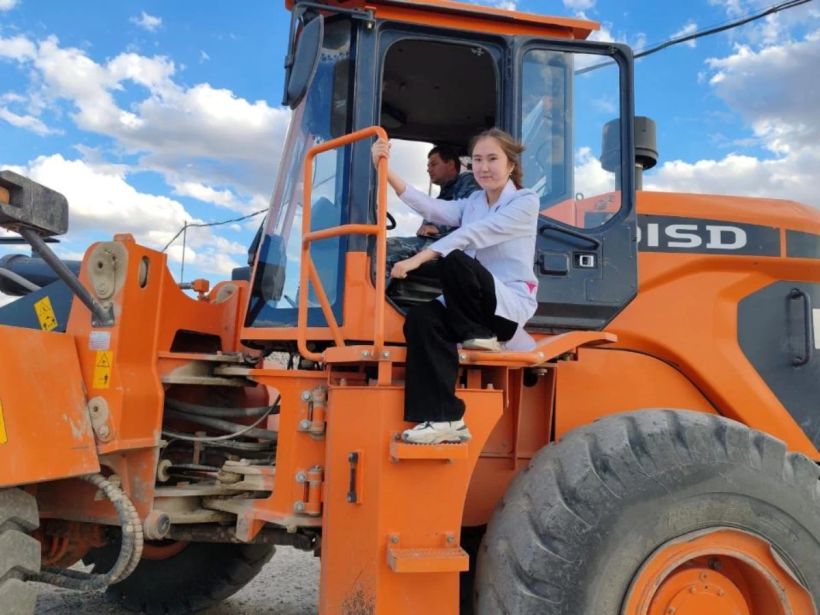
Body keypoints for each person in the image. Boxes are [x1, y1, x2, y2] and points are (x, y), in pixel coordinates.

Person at [371, 128, 539, 444]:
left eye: (492, 159)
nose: (484, 167)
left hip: (504, 309)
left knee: (454, 258)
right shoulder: (474, 201)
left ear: (511, 165)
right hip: (473, 306)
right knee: (422, 319)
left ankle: (481, 335)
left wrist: (417, 259)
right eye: (477, 159)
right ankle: (444, 419)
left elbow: (474, 235)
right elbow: (435, 210)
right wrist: (386, 169)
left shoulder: (525, 201)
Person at [385, 145, 479, 276]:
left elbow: (472, 216)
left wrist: (439, 229)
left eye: (434, 164)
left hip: (454, 248)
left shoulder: (467, 181)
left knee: (384, 248)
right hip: (435, 243)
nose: (428, 169)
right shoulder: (441, 196)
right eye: (428, 166)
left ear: (451, 164)